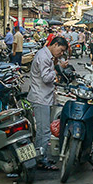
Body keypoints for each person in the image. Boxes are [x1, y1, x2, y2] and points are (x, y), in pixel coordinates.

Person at [26, 35, 69, 170]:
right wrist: (57, 69)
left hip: (44, 97)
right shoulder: (44, 57)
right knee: (43, 131)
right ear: (55, 44)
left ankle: (41, 156)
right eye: (61, 50)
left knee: (43, 130)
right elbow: (46, 78)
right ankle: (40, 159)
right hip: (40, 98)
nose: (61, 53)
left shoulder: (46, 55)